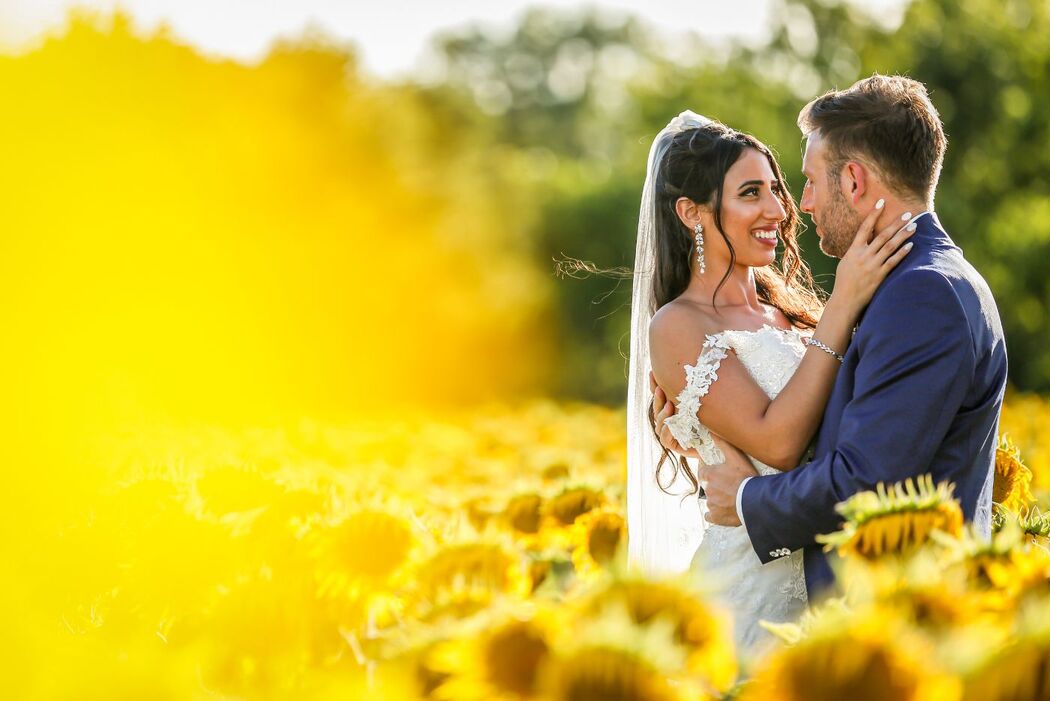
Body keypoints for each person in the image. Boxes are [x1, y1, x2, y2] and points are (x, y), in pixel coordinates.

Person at [649, 74, 1007, 643]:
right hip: (783, 602)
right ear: (692, 213)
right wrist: (696, 430)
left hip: (886, 614)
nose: (794, 206)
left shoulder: (919, 294)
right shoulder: (894, 287)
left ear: (856, 180)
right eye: (752, 192)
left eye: (803, 183)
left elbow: (864, 478)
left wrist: (745, 498)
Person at [628, 107, 916, 657]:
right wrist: (846, 301)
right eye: (751, 193)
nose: (778, 210)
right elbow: (780, 445)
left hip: (831, 573)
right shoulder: (679, 325)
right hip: (747, 592)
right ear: (691, 212)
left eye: (777, 190)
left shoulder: (792, 312)